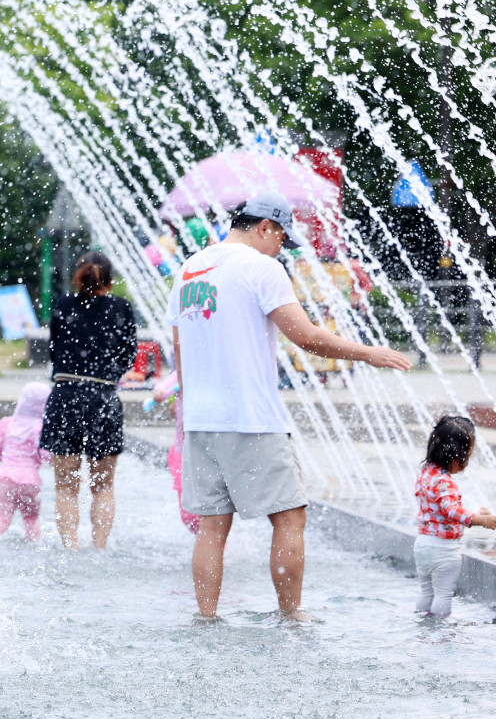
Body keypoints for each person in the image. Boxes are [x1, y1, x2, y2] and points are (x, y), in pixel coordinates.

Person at [168, 193, 412, 619]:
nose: (283, 247)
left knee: (211, 525)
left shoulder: (189, 269)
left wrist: (190, 413)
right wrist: (368, 353)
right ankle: (291, 615)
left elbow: (179, 349)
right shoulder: (261, 268)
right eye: (282, 237)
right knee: (289, 516)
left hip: (201, 420)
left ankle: (206, 616)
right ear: (264, 227)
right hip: (251, 419)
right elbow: (306, 337)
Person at [39, 252, 137, 550]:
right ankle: (99, 548)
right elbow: (129, 355)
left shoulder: (63, 304)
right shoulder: (122, 308)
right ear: (109, 278)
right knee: (103, 486)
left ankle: (70, 547)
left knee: (66, 487)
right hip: (103, 398)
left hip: (65, 396)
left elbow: (53, 350)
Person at [413, 415, 496, 617]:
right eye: (466, 456)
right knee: (443, 595)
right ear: (454, 455)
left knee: (426, 592)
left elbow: (440, 509)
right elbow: (451, 510)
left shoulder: (425, 473)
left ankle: (422, 624)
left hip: (423, 546)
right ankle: (440, 634)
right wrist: (481, 521)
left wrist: (477, 513)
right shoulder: (445, 482)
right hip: (444, 550)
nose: (466, 461)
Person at [0, 382, 51, 542]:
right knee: (31, 519)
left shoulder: (8, 424)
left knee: (0, 520)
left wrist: (5, 459)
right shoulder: (40, 428)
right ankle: (35, 549)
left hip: (6, 478)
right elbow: (46, 455)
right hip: (30, 481)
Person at [150, 369, 199, 534]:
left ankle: (216, 546)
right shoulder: (183, 370)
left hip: (208, 448)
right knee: (188, 516)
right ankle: (207, 544)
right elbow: (167, 383)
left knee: (213, 511)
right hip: (181, 451)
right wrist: (163, 393)